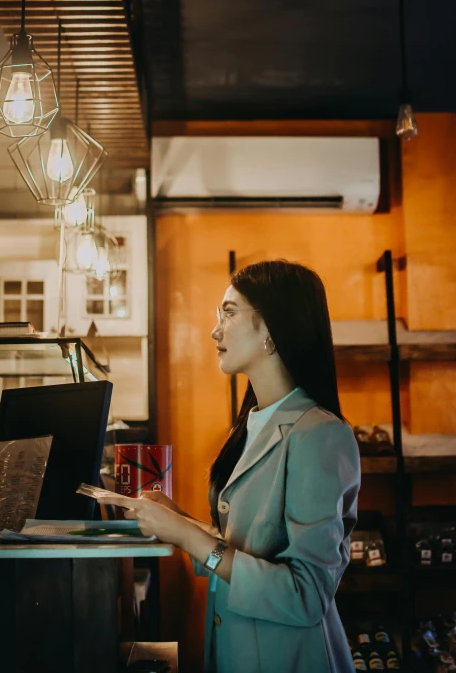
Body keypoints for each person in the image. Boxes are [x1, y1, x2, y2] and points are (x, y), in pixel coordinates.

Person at [99, 260, 361, 673]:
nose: (215, 329)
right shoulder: (252, 423)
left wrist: (187, 535)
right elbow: (237, 549)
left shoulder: (320, 435)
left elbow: (306, 595)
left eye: (229, 311)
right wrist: (176, 519)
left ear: (270, 330)